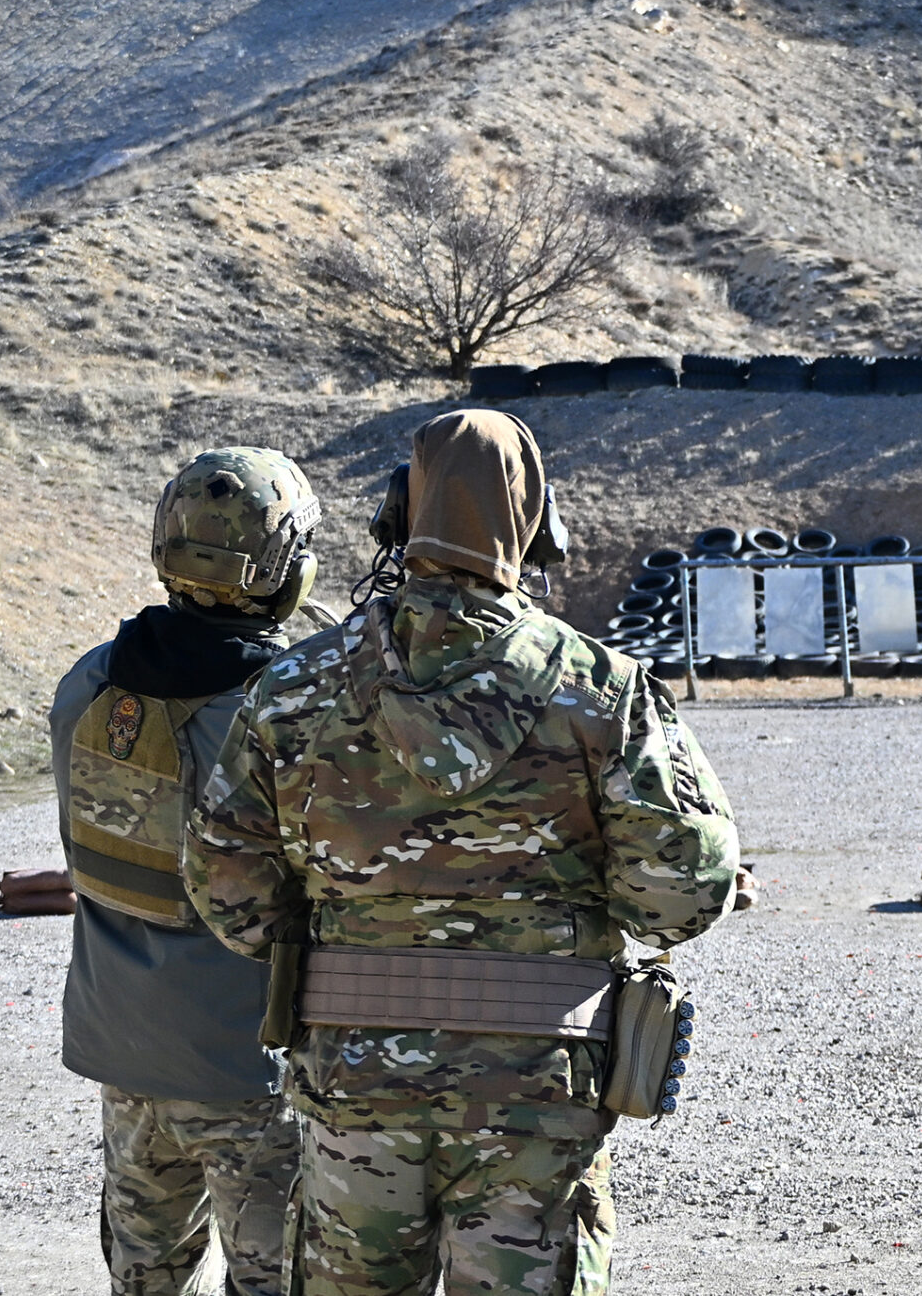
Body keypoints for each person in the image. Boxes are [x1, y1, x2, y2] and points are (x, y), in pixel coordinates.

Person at [187, 408, 740, 1295]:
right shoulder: (604, 691)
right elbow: (680, 898)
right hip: (538, 1096)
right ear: (540, 528)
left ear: (397, 517)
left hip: (353, 1083)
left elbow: (229, 892)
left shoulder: (293, 688)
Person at [54, 447, 323, 1295]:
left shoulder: (88, 686)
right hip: (247, 1064)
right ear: (286, 573)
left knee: (143, 1276)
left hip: (124, 1048)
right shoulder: (288, 711)